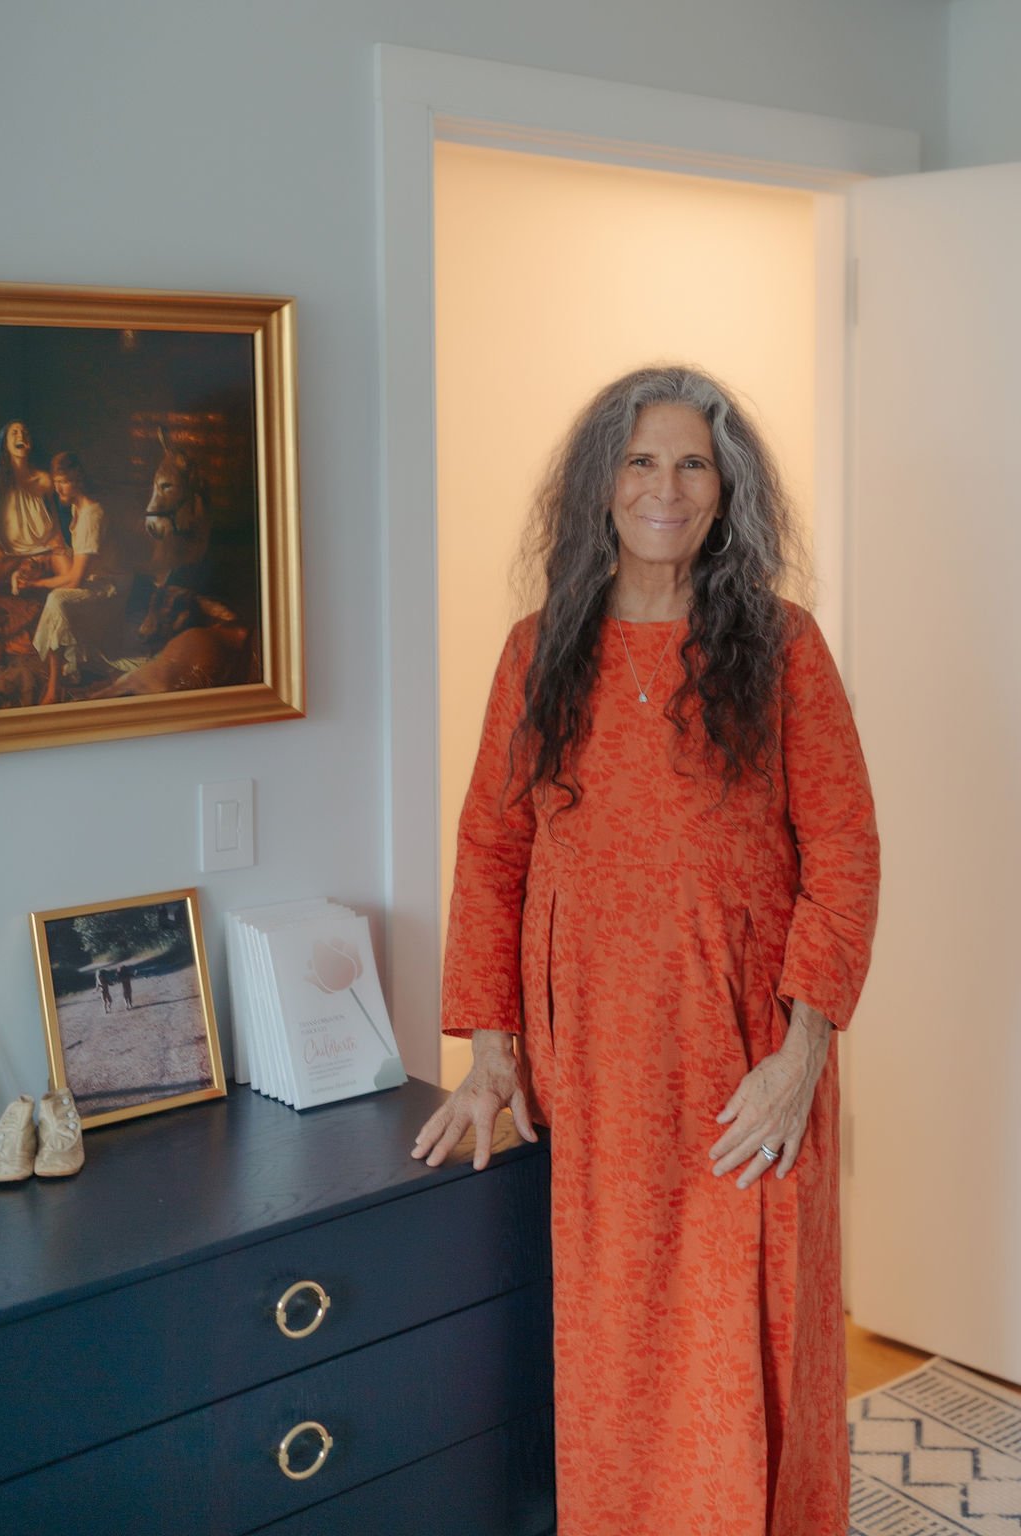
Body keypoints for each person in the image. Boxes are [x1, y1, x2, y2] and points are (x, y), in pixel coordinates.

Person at [412, 366, 880, 1536]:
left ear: (725, 494)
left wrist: (802, 1053)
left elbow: (845, 850)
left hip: (746, 1069)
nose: (663, 486)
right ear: (599, 487)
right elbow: (490, 849)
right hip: (603, 1076)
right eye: (639, 460)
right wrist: (491, 1050)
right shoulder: (537, 653)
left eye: (691, 463)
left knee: (750, 1344)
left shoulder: (782, 647)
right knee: (621, 1347)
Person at [18, 452, 123, 705]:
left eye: (63, 482)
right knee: (55, 556)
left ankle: (54, 689)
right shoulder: (77, 507)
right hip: (92, 579)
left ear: (78, 481)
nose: (58, 488)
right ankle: (66, 666)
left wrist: (36, 584)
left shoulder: (91, 515)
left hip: (107, 588)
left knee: (57, 599)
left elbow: (75, 580)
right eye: (55, 482)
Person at [0, 421, 66, 588]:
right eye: (14, 433)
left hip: (45, 549)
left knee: (69, 576)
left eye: (25, 433)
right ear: (5, 443)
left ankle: (32, 575)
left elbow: (54, 517)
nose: (21, 436)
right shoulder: (0, 481)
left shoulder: (44, 479)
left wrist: (58, 541)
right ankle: (24, 571)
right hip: (11, 553)